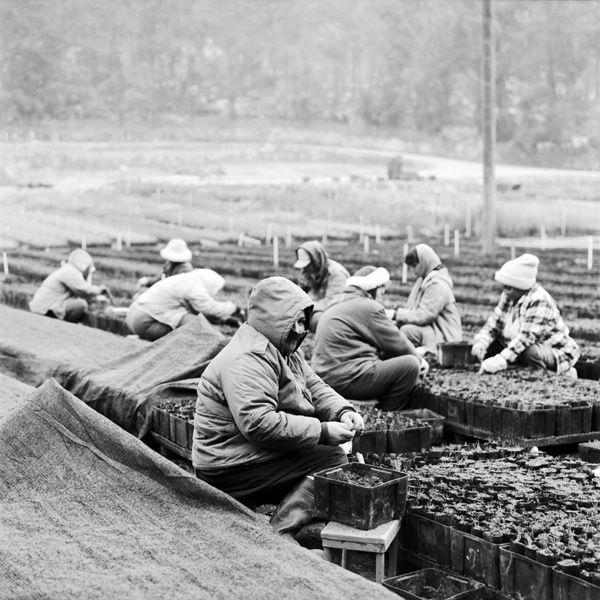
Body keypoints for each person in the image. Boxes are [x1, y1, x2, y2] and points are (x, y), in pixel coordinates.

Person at [192, 276, 364, 540]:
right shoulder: (247, 359)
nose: (301, 327)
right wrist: (322, 432)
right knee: (331, 458)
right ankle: (279, 533)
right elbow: (258, 423)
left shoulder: (283, 350)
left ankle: (292, 518)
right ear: (274, 318)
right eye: (294, 320)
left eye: (302, 320)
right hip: (226, 464)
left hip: (243, 452)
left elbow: (314, 387)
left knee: (329, 457)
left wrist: (342, 412)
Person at [311, 266, 428, 411]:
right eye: (381, 291)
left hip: (324, 379)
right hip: (346, 379)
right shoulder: (369, 306)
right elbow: (397, 342)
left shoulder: (337, 302)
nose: (381, 297)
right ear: (373, 288)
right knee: (410, 365)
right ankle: (388, 413)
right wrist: (420, 359)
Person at [471, 253, 580, 377]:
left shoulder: (539, 299)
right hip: (520, 344)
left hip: (553, 350)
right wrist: (481, 343)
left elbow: (526, 338)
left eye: (508, 288)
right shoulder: (508, 297)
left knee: (530, 352)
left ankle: (555, 376)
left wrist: (500, 360)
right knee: (491, 346)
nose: (504, 292)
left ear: (520, 286)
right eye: (504, 287)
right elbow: (493, 324)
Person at [127, 268, 244, 341]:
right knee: (196, 323)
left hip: (135, 315)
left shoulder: (185, 279)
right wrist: (232, 308)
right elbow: (208, 308)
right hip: (144, 321)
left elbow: (201, 309)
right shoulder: (194, 287)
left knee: (193, 318)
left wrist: (224, 319)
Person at [393, 243, 462, 354]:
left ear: (424, 262)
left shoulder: (438, 285)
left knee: (407, 331)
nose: (412, 270)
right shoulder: (424, 281)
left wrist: (396, 315)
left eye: (414, 266)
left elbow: (423, 316)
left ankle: (418, 356)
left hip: (445, 335)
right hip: (433, 329)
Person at [29, 249, 109, 323]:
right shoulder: (71, 272)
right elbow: (84, 290)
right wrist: (99, 290)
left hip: (44, 305)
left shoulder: (70, 270)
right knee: (81, 304)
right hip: (46, 307)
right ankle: (64, 324)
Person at [293, 240, 350, 333]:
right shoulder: (308, 270)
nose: (305, 268)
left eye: (308, 264)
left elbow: (333, 301)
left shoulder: (336, 273)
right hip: (314, 307)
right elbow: (301, 292)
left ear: (316, 260)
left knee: (318, 319)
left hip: (333, 312)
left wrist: (306, 308)